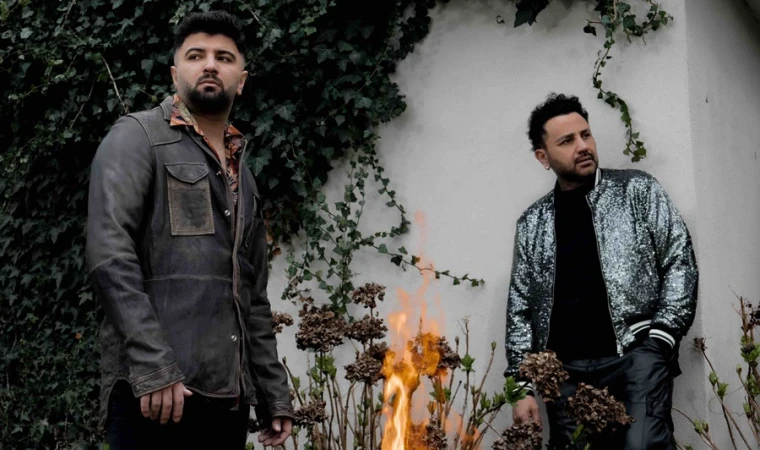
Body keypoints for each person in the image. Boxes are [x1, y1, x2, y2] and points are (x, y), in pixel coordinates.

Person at [86, 11, 294, 449]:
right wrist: (155, 365)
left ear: (241, 80)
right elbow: (110, 256)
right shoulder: (137, 137)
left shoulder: (243, 174)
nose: (210, 65)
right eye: (196, 55)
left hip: (226, 401)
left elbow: (253, 293)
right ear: (174, 73)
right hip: (155, 396)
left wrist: (272, 392)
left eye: (224, 57)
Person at [504, 93, 698, 449]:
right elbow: (521, 310)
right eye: (567, 141)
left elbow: (679, 261)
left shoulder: (637, 190)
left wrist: (660, 340)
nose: (583, 146)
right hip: (563, 375)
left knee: (643, 445)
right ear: (543, 157)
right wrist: (521, 388)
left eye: (586, 135)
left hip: (636, 358)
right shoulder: (532, 223)